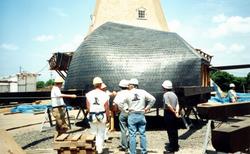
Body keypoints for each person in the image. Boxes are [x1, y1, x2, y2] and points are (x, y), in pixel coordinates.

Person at [120, 78, 156, 154]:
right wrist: (147, 108)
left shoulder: (127, 93)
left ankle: (133, 152)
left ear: (132, 85)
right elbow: (153, 99)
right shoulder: (142, 92)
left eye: (129, 85)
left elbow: (120, 103)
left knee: (132, 134)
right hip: (141, 114)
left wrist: (125, 110)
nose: (128, 86)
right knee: (142, 134)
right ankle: (144, 151)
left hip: (132, 114)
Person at [86, 77, 110, 154]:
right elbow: (106, 107)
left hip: (92, 115)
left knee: (93, 132)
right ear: (100, 84)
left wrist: (91, 114)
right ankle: (99, 149)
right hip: (102, 115)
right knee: (101, 132)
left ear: (94, 85)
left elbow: (88, 107)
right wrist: (108, 117)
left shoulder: (88, 94)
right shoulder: (104, 94)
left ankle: (94, 148)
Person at [162, 80, 180, 152]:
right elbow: (178, 104)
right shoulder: (174, 94)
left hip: (168, 113)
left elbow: (167, 104)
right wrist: (176, 112)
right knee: (175, 130)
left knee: (170, 130)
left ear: (164, 87)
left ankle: (171, 148)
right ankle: (176, 146)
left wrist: (173, 111)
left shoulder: (165, 94)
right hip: (174, 113)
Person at [113, 79, 130, 151]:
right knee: (131, 129)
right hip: (131, 112)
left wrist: (116, 111)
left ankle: (124, 146)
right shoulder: (131, 93)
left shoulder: (119, 94)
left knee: (123, 129)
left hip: (122, 112)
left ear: (120, 86)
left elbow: (114, 104)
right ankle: (130, 144)